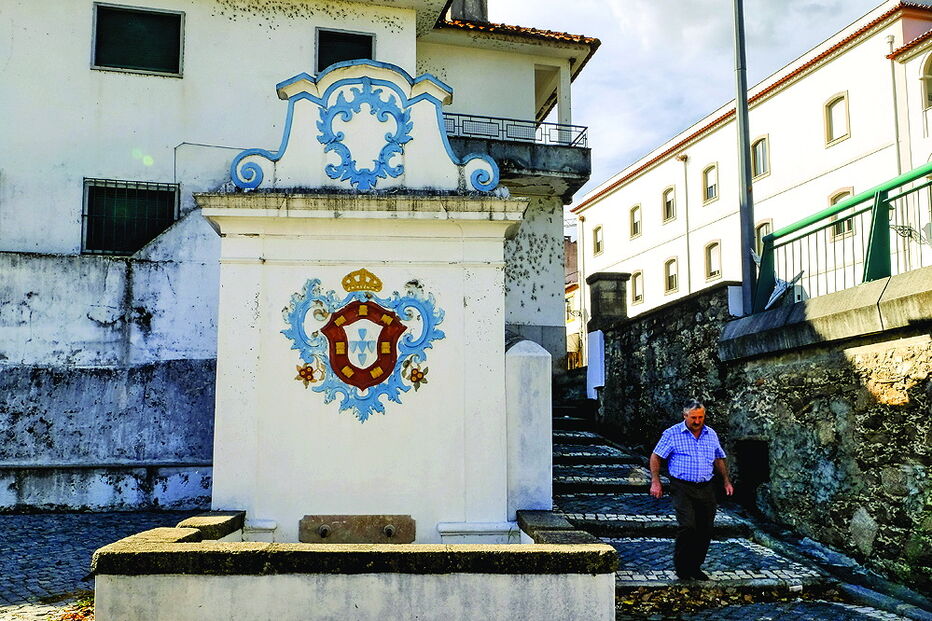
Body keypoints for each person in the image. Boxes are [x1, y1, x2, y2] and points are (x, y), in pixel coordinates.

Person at [649, 399, 733, 581]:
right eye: (693, 417)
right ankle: (682, 568)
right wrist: (655, 481)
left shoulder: (711, 434)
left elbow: (719, 458)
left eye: (700, 417)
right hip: (682, 486)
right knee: (687, 526)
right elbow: (656, 457)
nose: (697, 421)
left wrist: (726, 481)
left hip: (706, 486)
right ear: (685, 415)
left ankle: (695, 567)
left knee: (705, 528)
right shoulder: (672, 434)